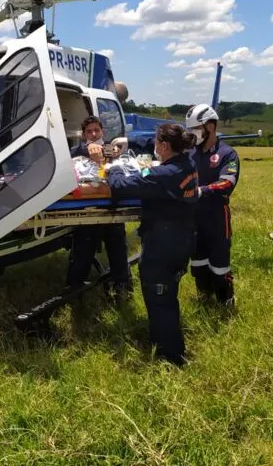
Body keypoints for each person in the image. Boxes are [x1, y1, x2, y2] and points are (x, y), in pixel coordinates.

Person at [104, 123, 199, 365]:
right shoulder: (187, 163)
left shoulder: (160, 175)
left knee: (159, 298)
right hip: (181, 240)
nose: (154, 145)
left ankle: (172, 357)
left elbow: (122, 187)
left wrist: (113, 168)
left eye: (157, 143)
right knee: (168, 295)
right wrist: (131, 143)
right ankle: (162, 343)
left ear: (165, 146)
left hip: (162, 246)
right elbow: (152, 148)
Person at [65, 116, 133, 300]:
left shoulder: (113, 149)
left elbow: (127, 164)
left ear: (102, 131)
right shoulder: (77, 151)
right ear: (84, 134)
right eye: (89, 131)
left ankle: (123, 287)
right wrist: (85, 148)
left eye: (97, 130)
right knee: (82, 252)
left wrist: (113, 152)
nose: (94, 134)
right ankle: (74, 291)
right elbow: (66, 155)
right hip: (87, 210)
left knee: (118, 249)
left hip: (112, 209)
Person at [184, 103, 241, 309]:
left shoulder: (227, 154)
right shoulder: (190, 152)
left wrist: (202, 191)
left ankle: (226, 303)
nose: (193, 134)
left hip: (217, 217)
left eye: (196, 129)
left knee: (219, 264)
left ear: (210, 126)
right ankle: (204, 297)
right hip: (193, 216)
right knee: (198, 262)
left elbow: (228, 183)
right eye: (190, 130)